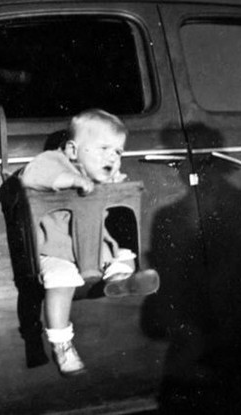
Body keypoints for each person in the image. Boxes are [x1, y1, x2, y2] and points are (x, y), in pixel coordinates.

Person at [20, 109, 159, 376]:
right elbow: (31, 176)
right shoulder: (53, 160)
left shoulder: (98, 173)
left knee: (125, 255)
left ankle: (119, 280)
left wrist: (112, 184)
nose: (112, 157)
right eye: (104, 148)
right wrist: (72, 180)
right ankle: (62, 345)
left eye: (118, 152)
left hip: (93, 244)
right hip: (55, 248)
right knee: (60, 281)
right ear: (73, 150)